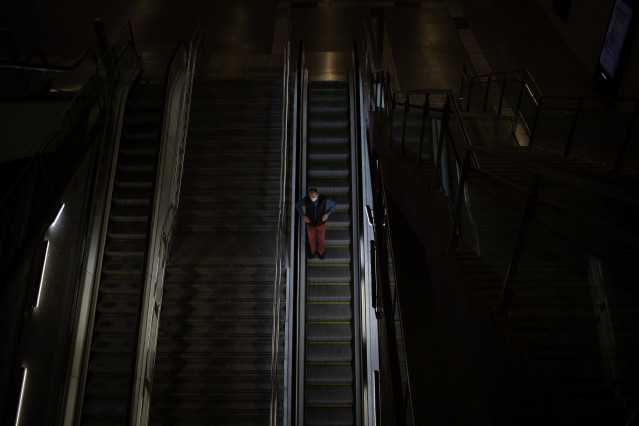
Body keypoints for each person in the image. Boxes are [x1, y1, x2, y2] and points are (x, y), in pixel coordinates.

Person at [295, 188, 337, 260]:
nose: (312, 198)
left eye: (313, 197)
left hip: (321, 223)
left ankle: (320, 251)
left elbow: (334, 204)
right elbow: (297, 205)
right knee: (311, 239)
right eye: (310, 196)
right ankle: (312, 251)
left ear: (317, 195)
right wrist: (303, 215)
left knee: (321, 238)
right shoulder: (306, 200)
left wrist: (327, 214)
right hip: (310, 224)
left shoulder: (324, 200)